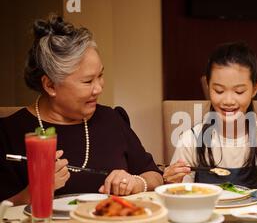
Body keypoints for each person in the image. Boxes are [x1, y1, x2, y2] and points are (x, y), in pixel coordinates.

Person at [0, 14, 163, 204]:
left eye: (100, 75)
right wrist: (35, 192)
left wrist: (137, 182)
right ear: (50, 85)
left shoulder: (111, 119)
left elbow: (155, 175)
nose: (99, 88)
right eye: (87, 81)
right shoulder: (9, 133)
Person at [163, 42, 257, 191]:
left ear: (255, 88)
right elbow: (180, 196)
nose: (228, 101)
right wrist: (171, 183)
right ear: (208, 86)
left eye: (239, 92)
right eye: (219, 91)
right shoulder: (190, 141)